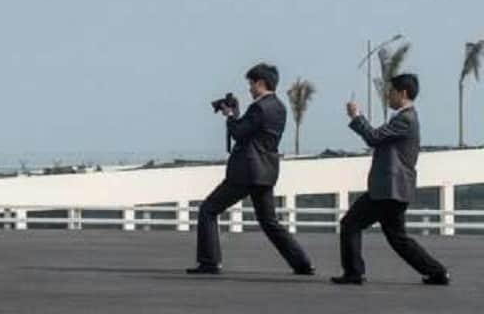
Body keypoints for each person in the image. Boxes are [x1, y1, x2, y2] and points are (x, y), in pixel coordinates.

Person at [188, 63, 315, 275]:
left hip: (246, 171)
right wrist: (237, 115)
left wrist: (230, 115)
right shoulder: (280, 107)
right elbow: (254, 132)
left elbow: (239, 133)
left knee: (208, 210)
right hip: (266, 172)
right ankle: (302, 263)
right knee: (269, 222)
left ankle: (210, 262)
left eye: (251, 83)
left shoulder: (259, 108)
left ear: (261, 83)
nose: (249, 88)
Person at [332, 74, 449, 285]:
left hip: (389, 189)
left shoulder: (405, 119)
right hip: (394, 189)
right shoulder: (406, 118)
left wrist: (356, 117)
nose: (388, 96)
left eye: (391, 92)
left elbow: (374, 137)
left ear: (403, 93)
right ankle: (436, 272)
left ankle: (354, 273)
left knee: (351, 224)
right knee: (398, 238)